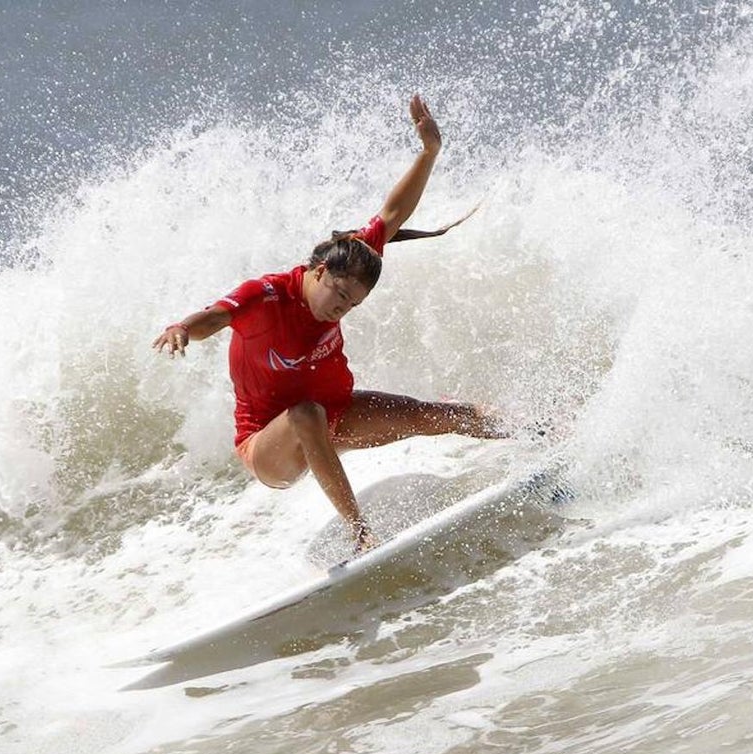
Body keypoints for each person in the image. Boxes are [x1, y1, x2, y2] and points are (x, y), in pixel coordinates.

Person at [152, 95, 504, 553]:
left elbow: (392, 215)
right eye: (338, 295)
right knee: (305, 414)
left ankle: (544, 432)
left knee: (437, 415)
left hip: (337, 417)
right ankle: (360, 533)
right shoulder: (268, 294)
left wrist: (429, 153)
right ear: (318, 272)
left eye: (352, 305)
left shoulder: (354, 260)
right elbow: (217, 316)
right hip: (270, 447)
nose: (341, 308)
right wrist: (183, 326)